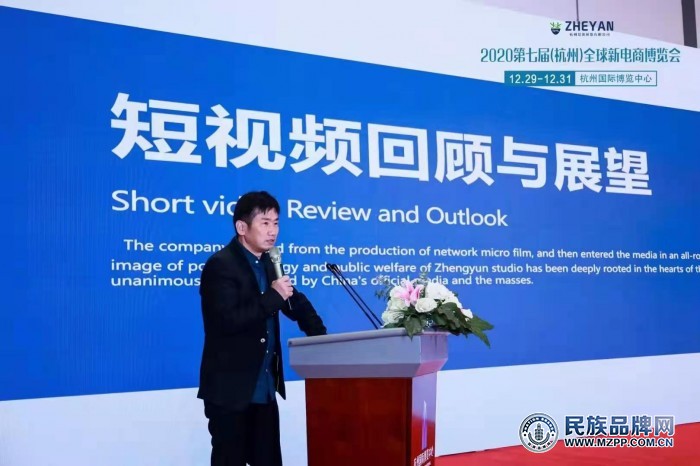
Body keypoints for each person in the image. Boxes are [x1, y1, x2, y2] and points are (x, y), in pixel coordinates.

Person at [198, 191, 327, 466]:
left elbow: (294, 301)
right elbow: (226, 321)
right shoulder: (220, 265)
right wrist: (272, 297)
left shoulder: (270, 263)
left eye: (276, 223)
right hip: (230, 391)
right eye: (265, 223)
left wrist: (323, 339)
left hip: (264, 390)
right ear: (242, 227)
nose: (273, 231)